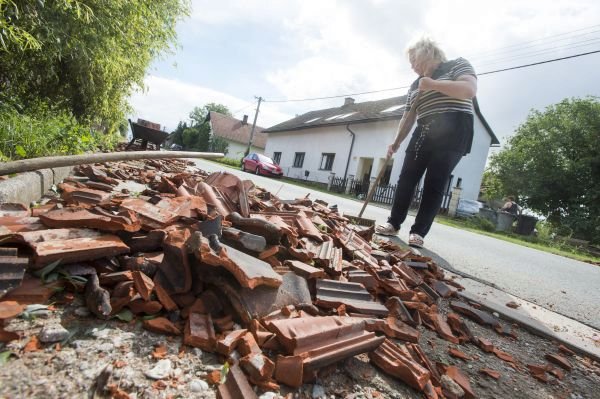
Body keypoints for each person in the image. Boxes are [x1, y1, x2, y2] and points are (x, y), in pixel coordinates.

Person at [375, 38, 478, 248]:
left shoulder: (457, 64)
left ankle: (418, 232)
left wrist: (432, 84)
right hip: (425, 129)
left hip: (454, 127)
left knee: (435, 182)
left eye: (414, 60)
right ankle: (393, 223)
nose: (412, 66)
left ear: (427, 53)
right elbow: (408, 117)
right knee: (406, 178)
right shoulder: (415, 84)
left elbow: (469, 90)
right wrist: (396, 142)